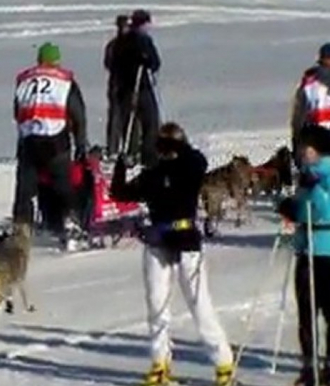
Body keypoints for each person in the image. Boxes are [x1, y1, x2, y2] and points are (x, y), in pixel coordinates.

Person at [110, 122, 234, 386]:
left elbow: (198, 161)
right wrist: (121, 167)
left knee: (199, 304)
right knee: (157, 305)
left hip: (186, 240)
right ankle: (160, 363)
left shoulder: (188, 168)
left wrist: (179, 147)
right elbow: (119, 193)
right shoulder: (153, 174)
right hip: (157, 241)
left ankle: (223, 364)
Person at [12, 42, 88, 250]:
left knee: (25, 192)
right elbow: (77, 113)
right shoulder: (64, 80)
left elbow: (17, 112)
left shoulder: (24, 79)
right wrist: (81, 144)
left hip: (29, 141)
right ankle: (71, 228)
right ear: (56, 61)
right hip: (56, 140)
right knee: (63, 186)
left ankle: (20, 234)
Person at [277, 125, 330, 386]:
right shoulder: (306, 177)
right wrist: (288, 206)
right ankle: (309, 367)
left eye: (304, 148)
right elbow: (302, 209)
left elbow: (320, 209)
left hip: (326, 249)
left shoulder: (324, 175)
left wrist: (310, 191)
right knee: (306, 313)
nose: (301, 153)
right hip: (307, 249)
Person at [110, 9, 161, 168]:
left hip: (124, 88)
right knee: (150, 121)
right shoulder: (142, 40)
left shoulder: (121, 41)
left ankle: (132, 152)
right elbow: (155, 62)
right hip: (140, 86)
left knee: (130, 120)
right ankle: (148, 155)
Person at [291, 43, 330, 168]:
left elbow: (298, 117)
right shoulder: (309, 82)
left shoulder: (308, 82)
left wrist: (297, 144)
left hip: (312, 140)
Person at [103, 14, 130, 158]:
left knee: (131, 116)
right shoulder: (113, 45)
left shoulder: (133, 43)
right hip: (118, 84)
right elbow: (108, 63)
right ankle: (113, 148)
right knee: (116, 116)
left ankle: (130, 148)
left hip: (129, 84)